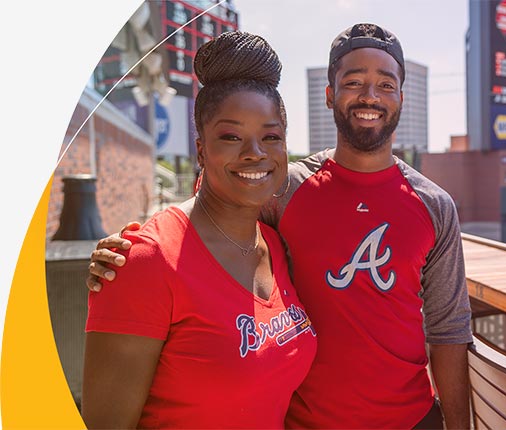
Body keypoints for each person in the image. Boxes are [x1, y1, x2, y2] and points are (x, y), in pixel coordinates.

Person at [88, 23, 473, 429]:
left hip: (412, 420)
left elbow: (448, 328)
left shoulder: (434, 206)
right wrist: (131, 252)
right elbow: (212, 206)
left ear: (401, 97)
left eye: (385, 84)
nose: (369, 96)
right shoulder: (284, 189)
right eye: (354, 81)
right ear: (329, 95)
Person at [81, 31, 317, 430]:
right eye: (231, 136)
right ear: (201, 149)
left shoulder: (274, 244)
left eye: (271, 136)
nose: (255, 152)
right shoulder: (146, 259)